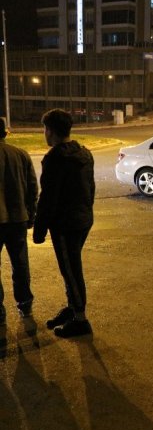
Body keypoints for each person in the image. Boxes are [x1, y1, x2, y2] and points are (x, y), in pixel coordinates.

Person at [33, 109, 95, 338]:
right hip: (83, 220)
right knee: (71, 268)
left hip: (65, 225)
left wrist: (39, 231)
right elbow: (91, 188)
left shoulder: (54, 160)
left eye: (45, 129)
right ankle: (72, 308)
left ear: (50, 131)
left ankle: (80, 319)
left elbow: (48, 199)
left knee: (71, 271)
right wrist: (87, 213)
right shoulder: (85, 153)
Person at [0, 118, 38, 324]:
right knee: (20, 264)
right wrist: (31, 216)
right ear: (5, 133)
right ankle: (25, 304)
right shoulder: (20, 155)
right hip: (17, 220)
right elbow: (33, 188)